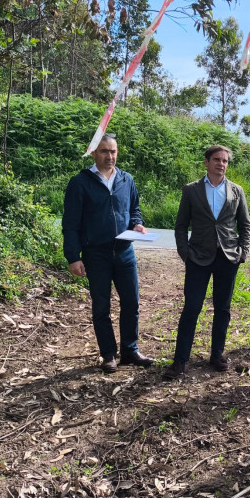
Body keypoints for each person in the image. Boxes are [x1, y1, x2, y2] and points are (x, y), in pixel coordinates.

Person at [62, 133, 154, 374]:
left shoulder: (127, 180)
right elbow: (70, 224)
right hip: (96, 254)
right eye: (104, 151)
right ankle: (108, 354)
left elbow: (134, 210)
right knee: (101, 306)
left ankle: (130, 350)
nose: (109, 156)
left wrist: (136, 224)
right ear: (93, 153)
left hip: (124, 252)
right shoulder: (80, 183)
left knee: (132, 303)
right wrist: (73, 256)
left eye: (113, 151)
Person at [164, 145, 250, 379]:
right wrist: (185, 252)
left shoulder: (236, 191)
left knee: (223, 309)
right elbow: (181, 224)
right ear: (206, 162)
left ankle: (217, 355)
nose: (221, 164)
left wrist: (242, 253)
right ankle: (180, 360)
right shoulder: (191, 190)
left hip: (227, 257)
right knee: (192, 308)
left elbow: (244, 224)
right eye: (216, 159)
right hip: (198, 257)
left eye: (224, 161)